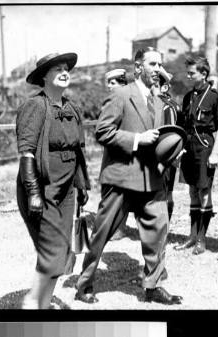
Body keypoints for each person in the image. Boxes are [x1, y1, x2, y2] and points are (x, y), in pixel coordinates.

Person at [75, 47, 182, 305]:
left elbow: (159, 138)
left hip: (151, 178)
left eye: (160, 64)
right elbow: (102, 132)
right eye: (153, 64)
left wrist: (172, 152)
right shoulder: (120, 95)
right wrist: (136, 139)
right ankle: (84, 284)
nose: (158, 69)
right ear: (138, 67)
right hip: (121, 178)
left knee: (158, 231)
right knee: (101, 234)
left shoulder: (158, 101)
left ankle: (152, 286)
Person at [16, 52, 91, 309]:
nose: (64, 71)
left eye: (66, 68)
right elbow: (26, 153)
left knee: (60, 252)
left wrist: (81, 187)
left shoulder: (72, 108)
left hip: (66, 190)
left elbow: (79, 150)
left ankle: (43, 304)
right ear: (44, 77)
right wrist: (34, 193)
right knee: (50, 253)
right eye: (57, 68)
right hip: (42, 188)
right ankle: (31, 303)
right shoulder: (35, 106)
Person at [174, 56, 218, 255]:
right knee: (192, 191)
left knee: (204, 191)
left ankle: (202, 240)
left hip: (205, 145)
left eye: (191, 73)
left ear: (203, 74)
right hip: (189, 145)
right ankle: (192, 236)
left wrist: (215, 152)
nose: (188, 76)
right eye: (187, 72)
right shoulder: (188, 96)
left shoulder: (214, 96)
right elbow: (184, 124)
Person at [104, 68, 130, 241]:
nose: (110, 86)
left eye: (113, 83)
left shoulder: (128, 101)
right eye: (109, 83)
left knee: (124, 191)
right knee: (110, 189)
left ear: (122, 84)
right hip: (111, 151)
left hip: (125, 150)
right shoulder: (111, 101)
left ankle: (120, 228)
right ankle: (111, 226)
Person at [156, 67, 182, 220]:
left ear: (164, 87)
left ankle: (164, 226)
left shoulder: (168, 106)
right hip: (152, 156)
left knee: (166, 191)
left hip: (165, 156)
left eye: (155, 85)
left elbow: (171, 135)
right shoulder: (152, 104)